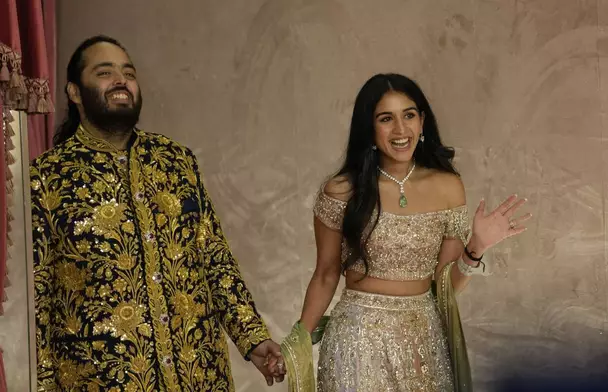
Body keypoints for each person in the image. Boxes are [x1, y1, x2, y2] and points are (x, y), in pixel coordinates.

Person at [30, 35, 285, 391]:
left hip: (197, 374)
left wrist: (252, 338)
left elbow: (213, 257)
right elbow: (38, 298)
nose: (121, 80)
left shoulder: (175, 161)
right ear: (74, 92)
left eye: (128, 72)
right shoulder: (47, 176)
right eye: (105, 72)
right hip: (102, 380)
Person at [280, 73, 532, 391]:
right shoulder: (342, 191)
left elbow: (445, 288)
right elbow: (326, 274)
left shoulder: (448, 187)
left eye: (409, 115)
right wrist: (297, 341)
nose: (401, 130)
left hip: (422, 342)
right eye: (387, 119)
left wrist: (477, 246)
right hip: (357, 343)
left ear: (422, 122)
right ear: (370, 130)